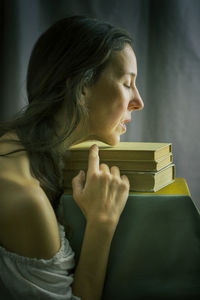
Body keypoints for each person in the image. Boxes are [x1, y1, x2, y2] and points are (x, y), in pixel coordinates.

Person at [0, 15, 144, 300]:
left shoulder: (14, 145)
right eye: (128, 83)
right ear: (81, 88)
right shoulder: (27, 202)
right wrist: (102, 224)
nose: (139, 101)